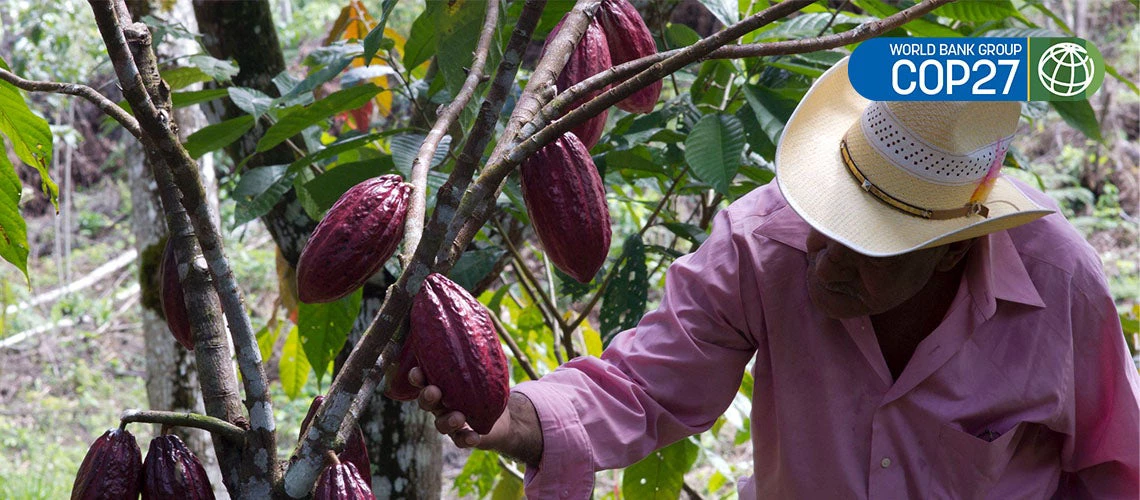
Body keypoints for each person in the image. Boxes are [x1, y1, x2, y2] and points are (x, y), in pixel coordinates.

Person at [411, 57, 1140, 498]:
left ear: (952, 249)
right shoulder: (765, 242)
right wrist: (516, 420)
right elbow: (645, 383)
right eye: (830, 224)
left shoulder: (1058, 287)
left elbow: (1117, 466)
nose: (822, 262)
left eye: (868, 248)